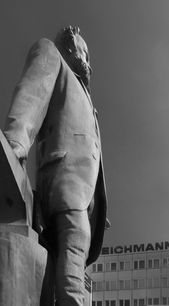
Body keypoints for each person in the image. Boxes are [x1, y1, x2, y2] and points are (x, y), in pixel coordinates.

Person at [4, 26, 108, 306]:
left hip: (81, 195)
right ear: (72, 47)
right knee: (75, 240)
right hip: (62, 181)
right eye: (85, 52)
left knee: (57, 260)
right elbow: (31, 93)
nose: (88, 61)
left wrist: (97, 206)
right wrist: (16, 143)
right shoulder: (52, 56)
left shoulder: (89, 102)